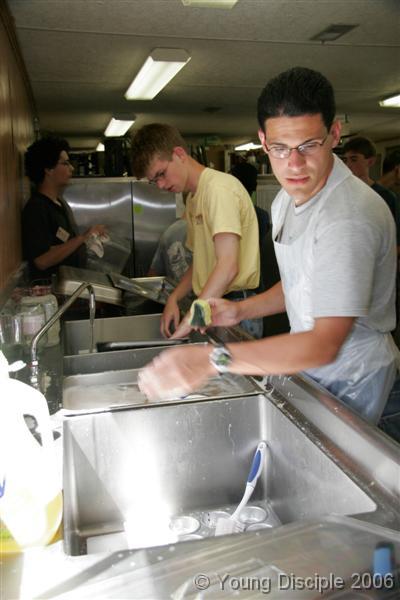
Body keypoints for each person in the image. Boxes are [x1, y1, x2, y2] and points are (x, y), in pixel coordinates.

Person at [138, 66, 399, 427]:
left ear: (335, 133)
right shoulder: (285, 201)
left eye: (308, 145)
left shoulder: (348, 216)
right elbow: (301, 283)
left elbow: (325, 342)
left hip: (357, 374)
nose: (294, 164)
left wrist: (211, 360)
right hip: (311, 363)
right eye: (279, 148)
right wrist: (241, 311)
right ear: (262, 141)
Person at [131, 123, 261, 339]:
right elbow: (199, 263)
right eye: (155, 181)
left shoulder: (218, 189)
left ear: (179, 154)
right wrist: (174, 298)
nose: (161, 185)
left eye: (161, 174)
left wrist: (194, 317)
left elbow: (228, 266)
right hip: (213, 303)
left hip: (235, 307)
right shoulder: (193, 199)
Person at [22, 136, 106, 280]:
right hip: (53, 292)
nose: (72, 168)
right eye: (65, 163)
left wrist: (89, 239)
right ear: (48, 169)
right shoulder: (36, 209)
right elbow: (41, 261)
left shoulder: (60, 203)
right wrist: (83, 237)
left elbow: (66, 245)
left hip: (71, 285)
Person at [342, 137, 398, 226]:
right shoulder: (342, 193)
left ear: (370, 162)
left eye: (354, 159)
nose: (348, 165)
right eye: (345, 160)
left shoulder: (385, 196)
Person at [148, 218, 192, 285]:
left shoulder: (170, 231)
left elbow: (153, 272)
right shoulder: (204, 230)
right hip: (201, 292)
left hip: (176, 291)